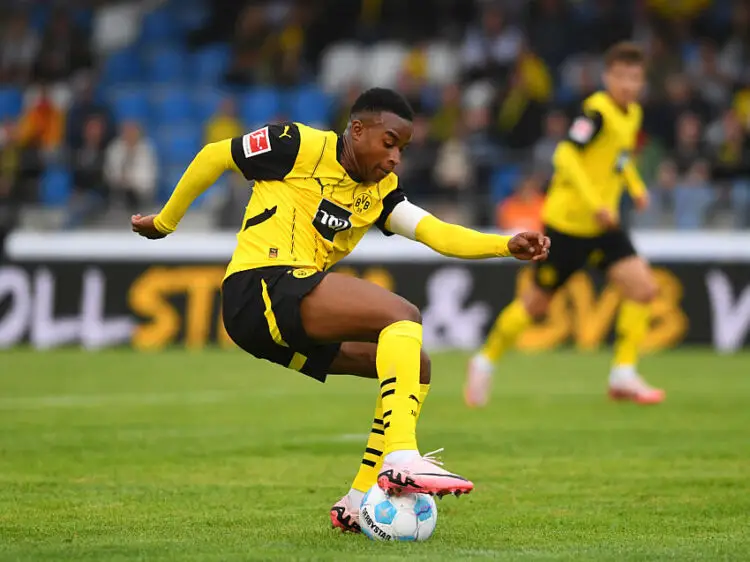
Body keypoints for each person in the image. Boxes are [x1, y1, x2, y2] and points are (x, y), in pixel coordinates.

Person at [131, 88, 550, 533]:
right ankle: (403, 455)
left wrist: (504, 244)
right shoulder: (298, 144)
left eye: (403, 149)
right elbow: (217, 154)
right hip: (260, 286)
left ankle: (356, 499)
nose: (395, 159)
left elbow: (437, 233)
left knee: (417, 366)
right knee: (401, 315)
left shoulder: (380, 192)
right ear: (357, 130)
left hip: (284, 317)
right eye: (389, 143)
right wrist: (164, 222)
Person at [466, 42, 665, 408]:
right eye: (621, 77)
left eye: (635, 78)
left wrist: (636, 188)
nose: (628, 85)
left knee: (644, 289)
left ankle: (623, 372)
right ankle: (484, 360)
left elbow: (618, 160)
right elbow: (566, 155)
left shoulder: (631, 114)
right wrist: (596, 204)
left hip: (603, 226)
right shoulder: (596, 113)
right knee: (536, 306)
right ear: (608, 77)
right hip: (568, 226)